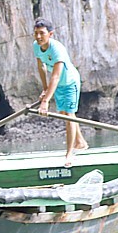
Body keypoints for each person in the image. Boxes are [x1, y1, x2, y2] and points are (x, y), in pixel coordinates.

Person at [32, 17, 88, 167]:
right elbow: (41, 67)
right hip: (57, 85)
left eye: (42, 33)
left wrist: (45, 101)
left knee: (69, 116)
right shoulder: (36, 46)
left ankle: (70, 154)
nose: (38, 37)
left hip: (69, 83)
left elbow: (56, 76)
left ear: (50, 34)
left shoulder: (57, 49)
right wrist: (45, 89)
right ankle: (80, 142)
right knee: (65, 114)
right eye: (36, 33)